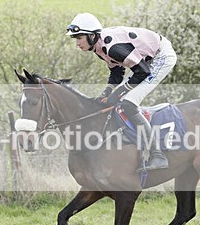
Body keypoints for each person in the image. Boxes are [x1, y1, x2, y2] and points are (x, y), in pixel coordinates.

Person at [66, 12, 177, 171]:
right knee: (117, 98)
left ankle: (157, 155)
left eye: (79, 38)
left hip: (161, 57)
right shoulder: (98, 48)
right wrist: (106, 94)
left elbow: (142, 72)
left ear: (91, 36)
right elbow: (116, 73)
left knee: (128, 103)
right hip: (144, 62)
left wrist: (116, 94)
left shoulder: (113, 48)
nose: (77, 43)